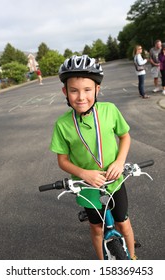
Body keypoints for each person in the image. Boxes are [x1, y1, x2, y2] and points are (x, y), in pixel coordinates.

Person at [50, 55, 137, 260]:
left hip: (114, 180)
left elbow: (124, 137)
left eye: (87, 90)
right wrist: (84, 173)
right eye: (74, 90)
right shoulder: (62, 125)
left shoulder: (109, 110)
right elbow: (62, 160)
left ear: (97, 90)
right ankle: (101, 264)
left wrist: (119, 161)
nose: (81, 97)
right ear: (65, 92)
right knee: (97, 228)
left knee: (123, 222)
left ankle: (132, 258)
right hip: (86, 186)